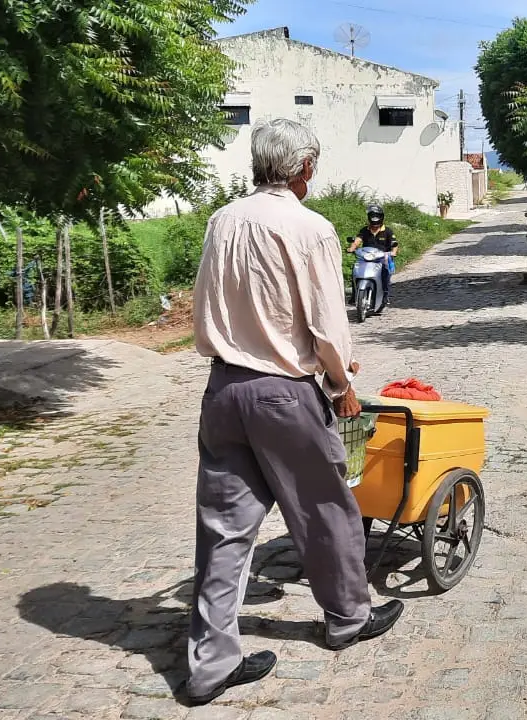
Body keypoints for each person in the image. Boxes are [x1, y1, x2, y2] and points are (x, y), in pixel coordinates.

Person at [186, 118, 403, 707]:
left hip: (223, 389)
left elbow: (205, 300)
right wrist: (341, 384)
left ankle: (210, 663)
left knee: (223, 528)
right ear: (304, 168)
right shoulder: (309, 228)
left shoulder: (222, 220)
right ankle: (348, 617)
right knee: (323, 507)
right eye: (315, 165)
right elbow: (329, 326)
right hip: (283, 391)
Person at [346, 204, 398, 304]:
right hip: (366, 257)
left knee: (385, 274)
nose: (375, 221)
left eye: (377, 217)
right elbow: (357, 240)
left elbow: (394, 244)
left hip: (381, 258)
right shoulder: (364, 230)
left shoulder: (387, 231)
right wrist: (352, 248)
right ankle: (354, 295)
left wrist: (393, 252)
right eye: (372, 217)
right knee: (355, 271)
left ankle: (385, 296)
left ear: (381, 218)